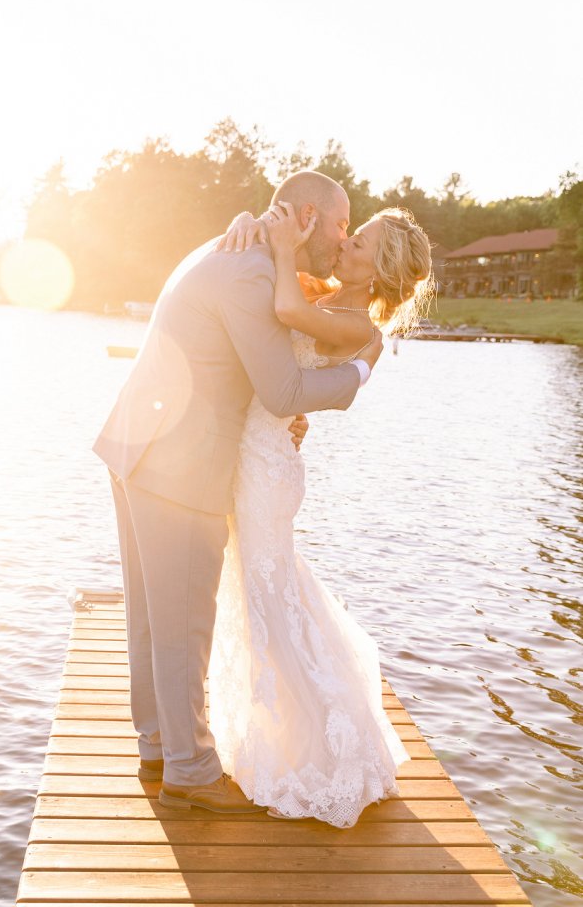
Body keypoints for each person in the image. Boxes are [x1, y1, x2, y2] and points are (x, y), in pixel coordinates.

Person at [93, 171, 382, 814]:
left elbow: (252, 368)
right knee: (183, 624)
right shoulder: (251, 271)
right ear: (306, 216)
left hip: (137, 443)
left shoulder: (232, 248)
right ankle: (190, 772)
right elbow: (281, 392)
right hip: (177, 465)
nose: (343, 239)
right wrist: (358, 371)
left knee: (150, 616)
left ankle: (158, 746)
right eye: (340, 224)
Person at [208, 202, 433, 827]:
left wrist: (284, 247)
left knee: (267, 591)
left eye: (358, 241)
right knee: (262, 589)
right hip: (258, 450)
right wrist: (254, 224)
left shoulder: (361, 328)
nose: (345, 242)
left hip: (267, 468)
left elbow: (283, 316)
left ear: (376, 267)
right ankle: (269, 730)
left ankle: (314, 752)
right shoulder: (324, 296)